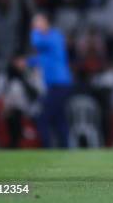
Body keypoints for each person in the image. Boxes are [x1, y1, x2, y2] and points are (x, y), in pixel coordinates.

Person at [29, 13, 73, 148]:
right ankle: (65, 149)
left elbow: (36, 42)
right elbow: (44, 58)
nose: (35, 26)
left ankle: (47, 148)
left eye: (38, 23)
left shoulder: (54, 36)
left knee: (43, 118)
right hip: (57, 84)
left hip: (60, 84)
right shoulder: (50, 41)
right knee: (59, 118)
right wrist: (27, 62)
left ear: (46, 23)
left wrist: (35, 30)